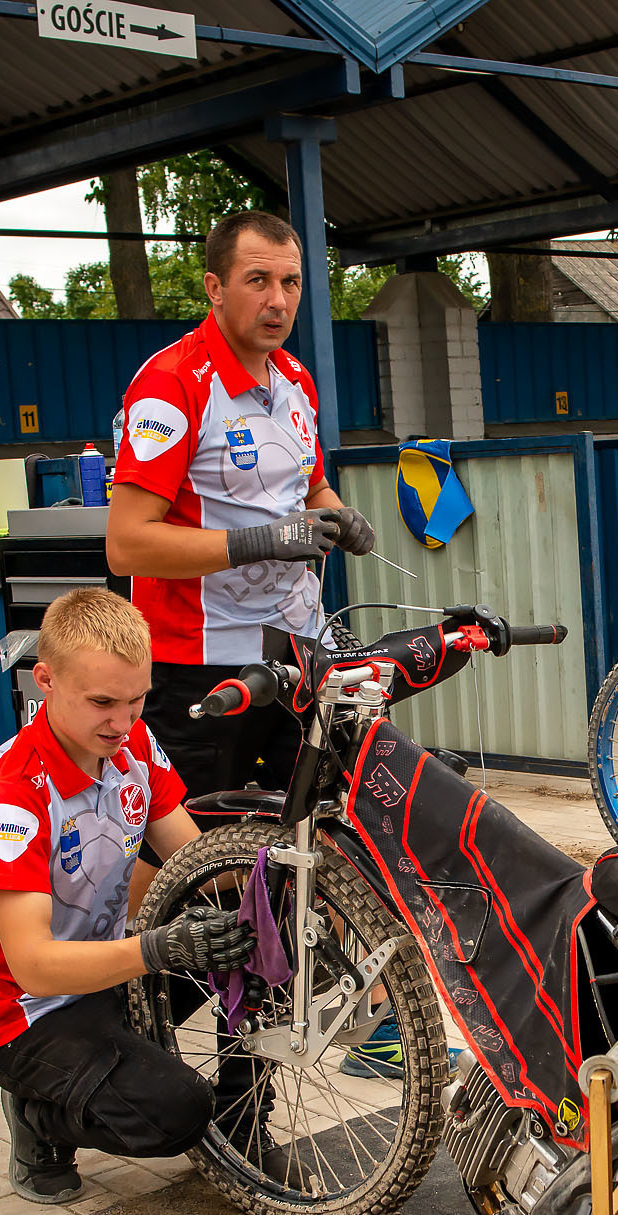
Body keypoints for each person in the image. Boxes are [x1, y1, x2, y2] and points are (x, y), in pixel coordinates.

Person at [0, 589, 255, 1204]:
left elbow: (196, 862)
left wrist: (293, 867)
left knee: (256, 931)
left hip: (111, 973)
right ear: (44, 681)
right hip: (32, 1015)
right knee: (174, 1112)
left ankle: (245, 1125)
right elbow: (34, 967)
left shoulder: (135, 745)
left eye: (136, 699)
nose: (121, 723)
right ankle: (38, 1116)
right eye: (101, 703)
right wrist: (160, 948)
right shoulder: (12, 794)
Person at [106, 208, 378, 799]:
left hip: (299, 652)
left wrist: (339, 514)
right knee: (189, 853)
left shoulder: (296, 379)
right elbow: (126, 546)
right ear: (215, 288)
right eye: (258, 280)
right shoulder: (171, 384)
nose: (277, 300)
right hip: (201, 666)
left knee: (318, 831)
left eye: (291, 282)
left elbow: (309, 487)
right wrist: (256, 542)